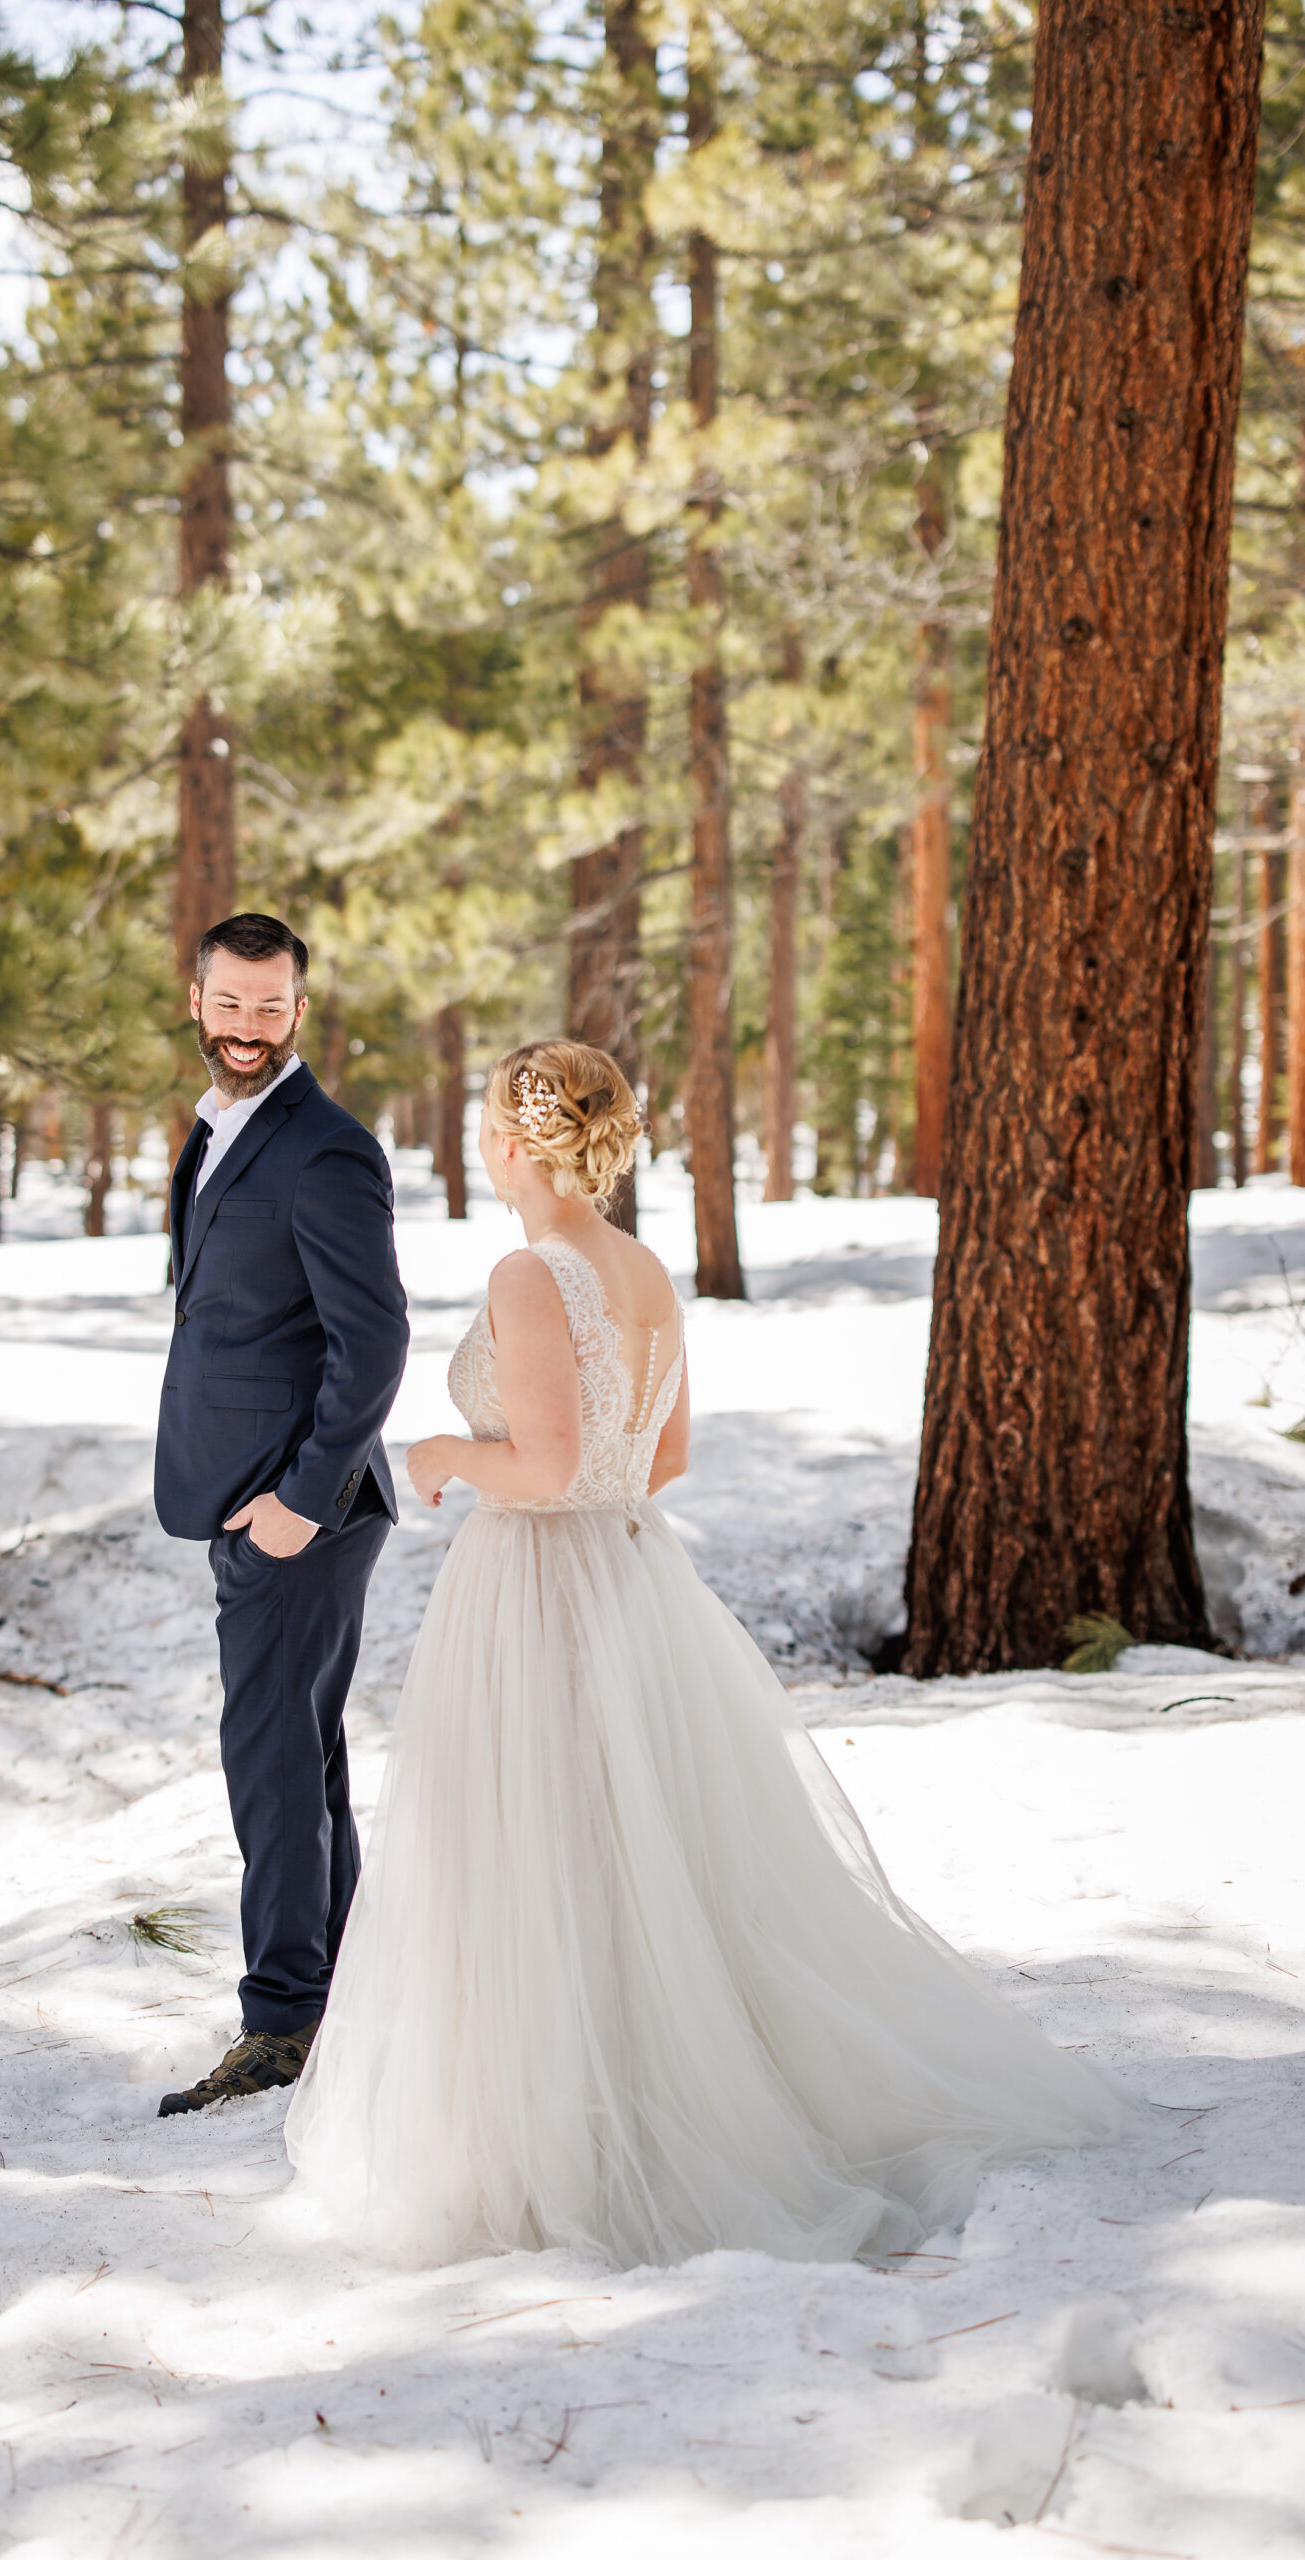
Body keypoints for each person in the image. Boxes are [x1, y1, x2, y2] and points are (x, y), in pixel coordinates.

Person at [286, 1038, 1132, 2267]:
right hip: (636, 1572)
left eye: (486, 1118)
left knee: (543, 1851)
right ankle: (635, 2086)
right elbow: (661, 1457)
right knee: (639, 1849)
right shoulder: (639, 1269)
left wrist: (442, 1458)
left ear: (511, 1140)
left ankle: (574, 2136)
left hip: (542, 1587)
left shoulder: (532, 1275)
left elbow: (551, 1468)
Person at [152, 913, 410, 2116]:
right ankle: (339, 1997)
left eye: (271, 1007)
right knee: (298, 1758)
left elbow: (375, 1344)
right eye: (230, 1003)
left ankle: (281, 2020)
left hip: (301, 1513)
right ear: (195, 999)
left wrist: (301, 1503)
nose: (248, 1028)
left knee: (268, 1759)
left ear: (298, 1011)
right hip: (245, 1498)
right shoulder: (215, 1129)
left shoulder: (326, 1149)